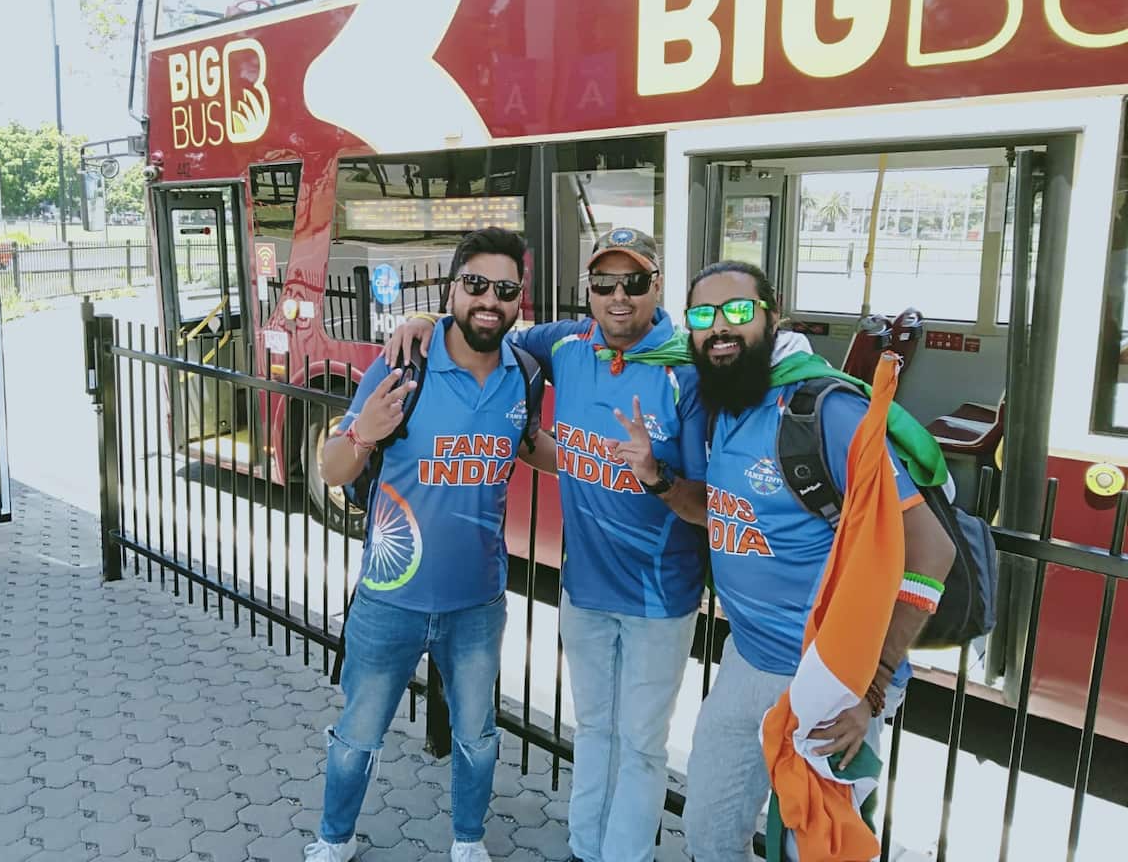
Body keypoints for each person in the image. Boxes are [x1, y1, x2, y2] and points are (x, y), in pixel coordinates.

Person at [385, 228, 710, 862]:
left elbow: (707, 505)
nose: (618, 297)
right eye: (603, 284)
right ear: (587, 289)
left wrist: (658, 475)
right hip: (584, 589)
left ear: (657, 287)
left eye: (634, 283)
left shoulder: (684, 370)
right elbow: (487, 322)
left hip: (659, 595)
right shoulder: (567, 342)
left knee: (641, 744)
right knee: (594, 731)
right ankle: (587, 849)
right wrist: (423, 316)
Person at [679, 259, 956, 862]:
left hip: (828, 682)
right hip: (744, 662)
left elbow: (933, 550)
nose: (720, 327)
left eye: (738, 311)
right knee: (707, 834)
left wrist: (873, 685)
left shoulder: (824, 412)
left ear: (773, 318)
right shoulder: (723, 397)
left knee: (821, 849)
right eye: (703, 315)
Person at [305, 227, 556, 862]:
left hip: (477, 604)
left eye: (504, 289)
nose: (488, 301)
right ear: (452, 290)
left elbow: (531, 446)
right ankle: (334, 839)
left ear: (518, 300)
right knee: (358, 734)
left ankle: (468, 841)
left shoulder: (522, 375)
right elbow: (332, 470)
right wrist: (363, 431)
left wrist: (609, 467)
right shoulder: (403, 367)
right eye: (475, 285)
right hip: (390, 597)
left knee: (476, 736)